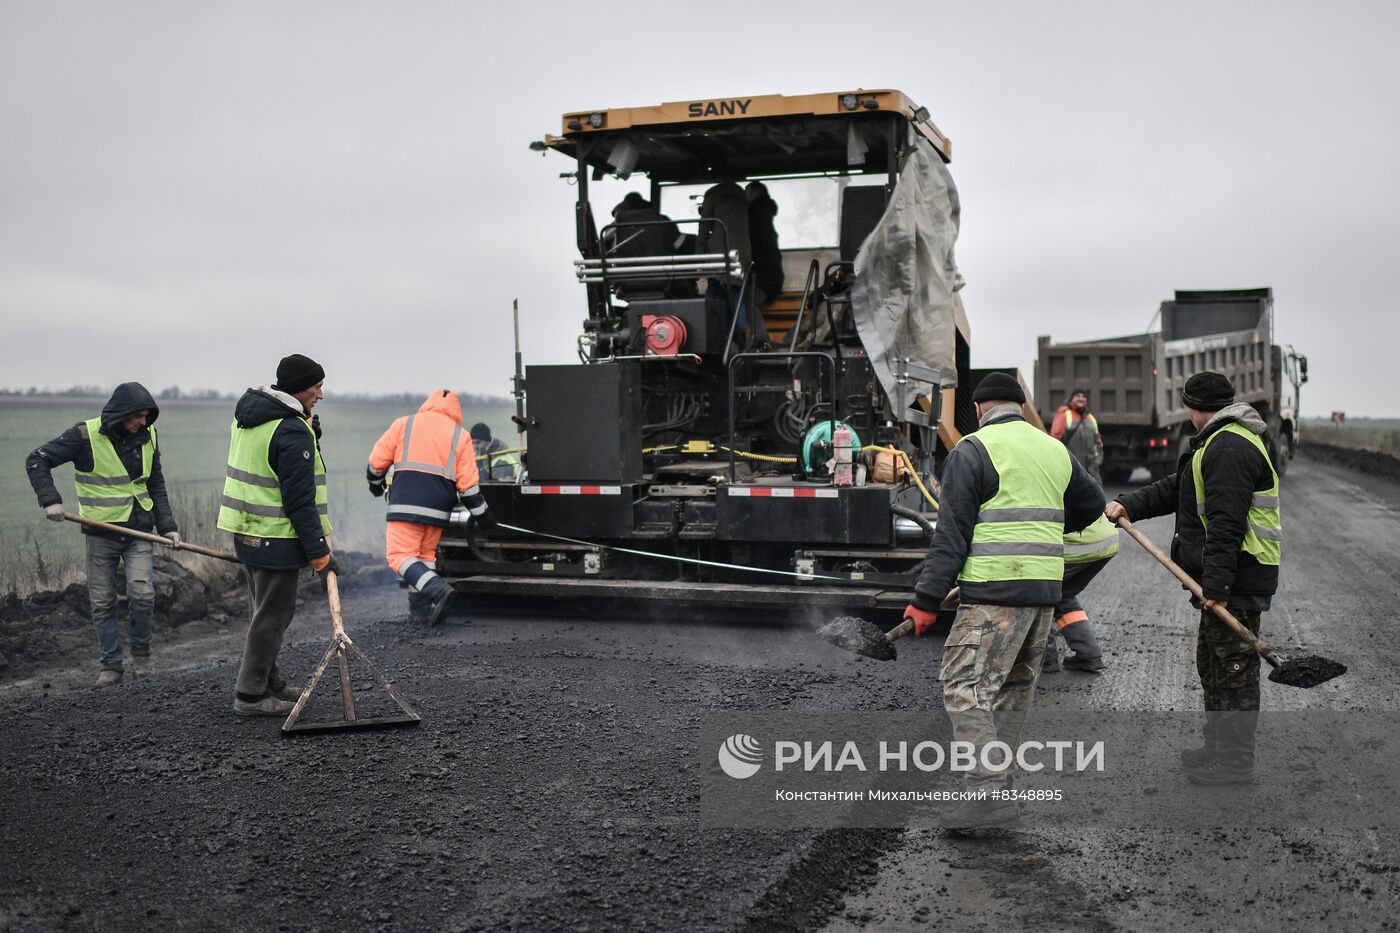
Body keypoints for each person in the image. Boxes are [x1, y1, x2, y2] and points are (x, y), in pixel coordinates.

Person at [904, 372, 1105, 829]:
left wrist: (925, 600)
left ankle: (985, 793)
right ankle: (1000, 791)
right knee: (1013, 690)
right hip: (1043, 596)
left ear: (979, 409)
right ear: (1018, 407)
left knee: (963, 685)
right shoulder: (1053, 449)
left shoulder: (973, 450)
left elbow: (950, 536)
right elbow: (1092, 505)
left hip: (993, 593)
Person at [1107, 371, 1280, 785]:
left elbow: (1226, 524)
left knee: (1234, 671)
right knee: (1213, 666)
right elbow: (1176, 488)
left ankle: (1236, 764)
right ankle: (1217, 746)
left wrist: (1217, 587)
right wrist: (1128, 504)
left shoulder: (1229, 447)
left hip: (1238, 578)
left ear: (1191, 407)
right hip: (1226, 578)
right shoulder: (1216, 442)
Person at [25, 382, 180, 686]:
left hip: (140, 530)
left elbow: (156, 483)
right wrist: (51, 500)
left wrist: (169, 527)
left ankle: (142, 658)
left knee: (143, 594)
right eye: (139, 416)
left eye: (147, 416)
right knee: (102, 602)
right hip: (100, 532)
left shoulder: (149, 436)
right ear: (122, 413)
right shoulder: (83, 436)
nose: (144, 423)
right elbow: (36, 459)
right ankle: (111, 666)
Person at [216, 354, 335, 717]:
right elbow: (300, 500)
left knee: (263, 613)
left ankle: (270, 682)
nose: (320, 394)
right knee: (272, 617)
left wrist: (307, 434)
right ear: (300, 388)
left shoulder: (251, 419)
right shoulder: (290, 429)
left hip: (247, 531)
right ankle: (251, 696)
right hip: (277, 538)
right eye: (316, 386)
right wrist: (319, 552)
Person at [367, 390, 497, 625]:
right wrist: (483, 515)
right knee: (424, 557)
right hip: (439, 511)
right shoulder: (461, 435)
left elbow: (377, 462)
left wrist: (375, 484)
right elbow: (468, 485)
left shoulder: (403, 424)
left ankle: (438, 590)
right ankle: (421, 611)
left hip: (405, 504)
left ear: (428, 404)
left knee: (399, 556)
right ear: (456, 412)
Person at [1042, 513, 1119, 673]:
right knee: (1063, 594)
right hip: (1105, 539)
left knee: (1038, 594)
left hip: (1076, 545)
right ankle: (1088, 653)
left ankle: (1044, 659)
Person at [697, 179, 752, 332]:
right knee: (737, 295)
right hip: (742, 253)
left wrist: (699, 256)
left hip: (719, 251)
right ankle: (740, 336)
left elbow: (704, 228)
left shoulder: (713, 198)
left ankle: (705, 328)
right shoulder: (742, 201)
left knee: (712, 291)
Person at [745, 181, 783, 344]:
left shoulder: (754, 215)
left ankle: (761, 340)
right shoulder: (764, 214)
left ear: (755, 193)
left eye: (746, 193)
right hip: (770, 275)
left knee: (748, 301)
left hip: (764, 276)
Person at [1049, 388, 1103, 483]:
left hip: (1091, 470)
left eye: (1083, 396)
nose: (1081, 399)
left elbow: (1098, 442)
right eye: (1077, 396)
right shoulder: (1064, 416)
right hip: (1071, 468)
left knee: (1096, 495)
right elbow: (1054, 441)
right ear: (1072, 399)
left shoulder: (1091, 418)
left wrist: (1097, 461)